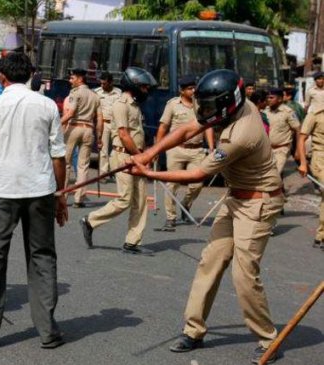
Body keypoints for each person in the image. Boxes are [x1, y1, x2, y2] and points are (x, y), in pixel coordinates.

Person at [130, 69, 283, 364]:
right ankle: (194, 330)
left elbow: (196, 174)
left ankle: (268, 338)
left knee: (244, 275)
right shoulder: (228, 109)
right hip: (236, 197)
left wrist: (148, 173)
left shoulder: (243, 134)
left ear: (229, 102)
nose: (206, 112)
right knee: (210, 262)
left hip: (259, 204)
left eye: (212, 106)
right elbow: (188, 129)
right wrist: (149, 154)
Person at [0, 52, 67, 349]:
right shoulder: (48, 105)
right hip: (40, 189)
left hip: (3, 191)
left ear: (2, 77)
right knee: (42, 257)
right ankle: (48, 331)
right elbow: (58, 155)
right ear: (29, 75)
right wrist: (60, 195)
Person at [79, 67, 156, 253]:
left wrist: (143, 153)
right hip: (124, 156)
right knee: (125, 199)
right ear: (133, 85)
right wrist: (140, 155)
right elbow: (123, 134)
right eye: (143, 87)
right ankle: (90, 220)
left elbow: (137, 133)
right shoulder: (121, 104)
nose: (146, 91)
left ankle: (132, 242)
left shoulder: (135, 105)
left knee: (140, 200)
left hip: (136, 156)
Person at [155, 75, 215, 231]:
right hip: (176, 150)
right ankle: (170, 217)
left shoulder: (201, 104)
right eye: (189, 88)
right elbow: (163, 127)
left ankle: (186, 204)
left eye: (194, 87)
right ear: (182, 91)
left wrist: (211, 148)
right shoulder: (173, 105)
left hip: (197, 150)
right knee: (172, 184)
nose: (193, 90)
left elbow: (208, 126)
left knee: (197, 184)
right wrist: (157, 148)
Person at [60, 68, 100, 207]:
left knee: (65, 163)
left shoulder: (75, 93)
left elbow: (70, 113)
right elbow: (99, 119)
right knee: (83, 165)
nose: (70, 81)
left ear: (80, 79)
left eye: (72, 78)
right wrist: (99, 137)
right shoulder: (95, 95)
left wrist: (57, 124)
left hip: (74, 128)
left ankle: (62, 196)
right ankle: (79, 198)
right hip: (89, 129)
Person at [297, 106, 324, 251]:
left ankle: (321, 235)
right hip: (320, 157)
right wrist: (302, 163)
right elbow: (302, 139)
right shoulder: (315, 114)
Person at [264, 88, 300, 176]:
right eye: (268, 97)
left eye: (272, 97)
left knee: (273, 175)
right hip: (266, 150)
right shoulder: (265, 111)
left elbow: (298, 130)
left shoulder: (288, 112)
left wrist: (298, 150)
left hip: (281, 149)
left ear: (280, 99)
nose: (269, 100)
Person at [94, 71, 121, 177]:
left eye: (104, 83)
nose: (102, 85)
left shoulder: (119, 93)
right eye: (101, 83)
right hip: (104, 123)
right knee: (103, 150)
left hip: (116, 124)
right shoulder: (97, 92)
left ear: (111, 83)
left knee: (117, 149)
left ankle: (115, 171)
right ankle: (103, 173)